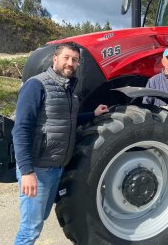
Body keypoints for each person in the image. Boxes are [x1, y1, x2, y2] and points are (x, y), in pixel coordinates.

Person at [11, 42, 108, 244]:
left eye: (75, 60)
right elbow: (20, 129)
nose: (70, 63)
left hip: (56, 169)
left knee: (40, 219)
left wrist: (93, 114)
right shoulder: (36, 85)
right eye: (66, 58)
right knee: (30, 229)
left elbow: (69, 122)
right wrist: (27, 172)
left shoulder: (69, 91)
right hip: (38, 170)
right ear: (55, 59)